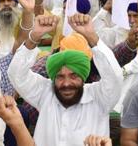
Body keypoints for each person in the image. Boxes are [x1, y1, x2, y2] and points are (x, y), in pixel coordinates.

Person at [8, 14, 123, 146]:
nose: (66, 83)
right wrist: (34, 37)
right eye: (60, 77)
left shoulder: (100, 97)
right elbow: (16, 74)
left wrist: (91, 36)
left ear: (83, 76)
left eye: (73, 76)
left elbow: (114, 76)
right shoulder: (46, 94)